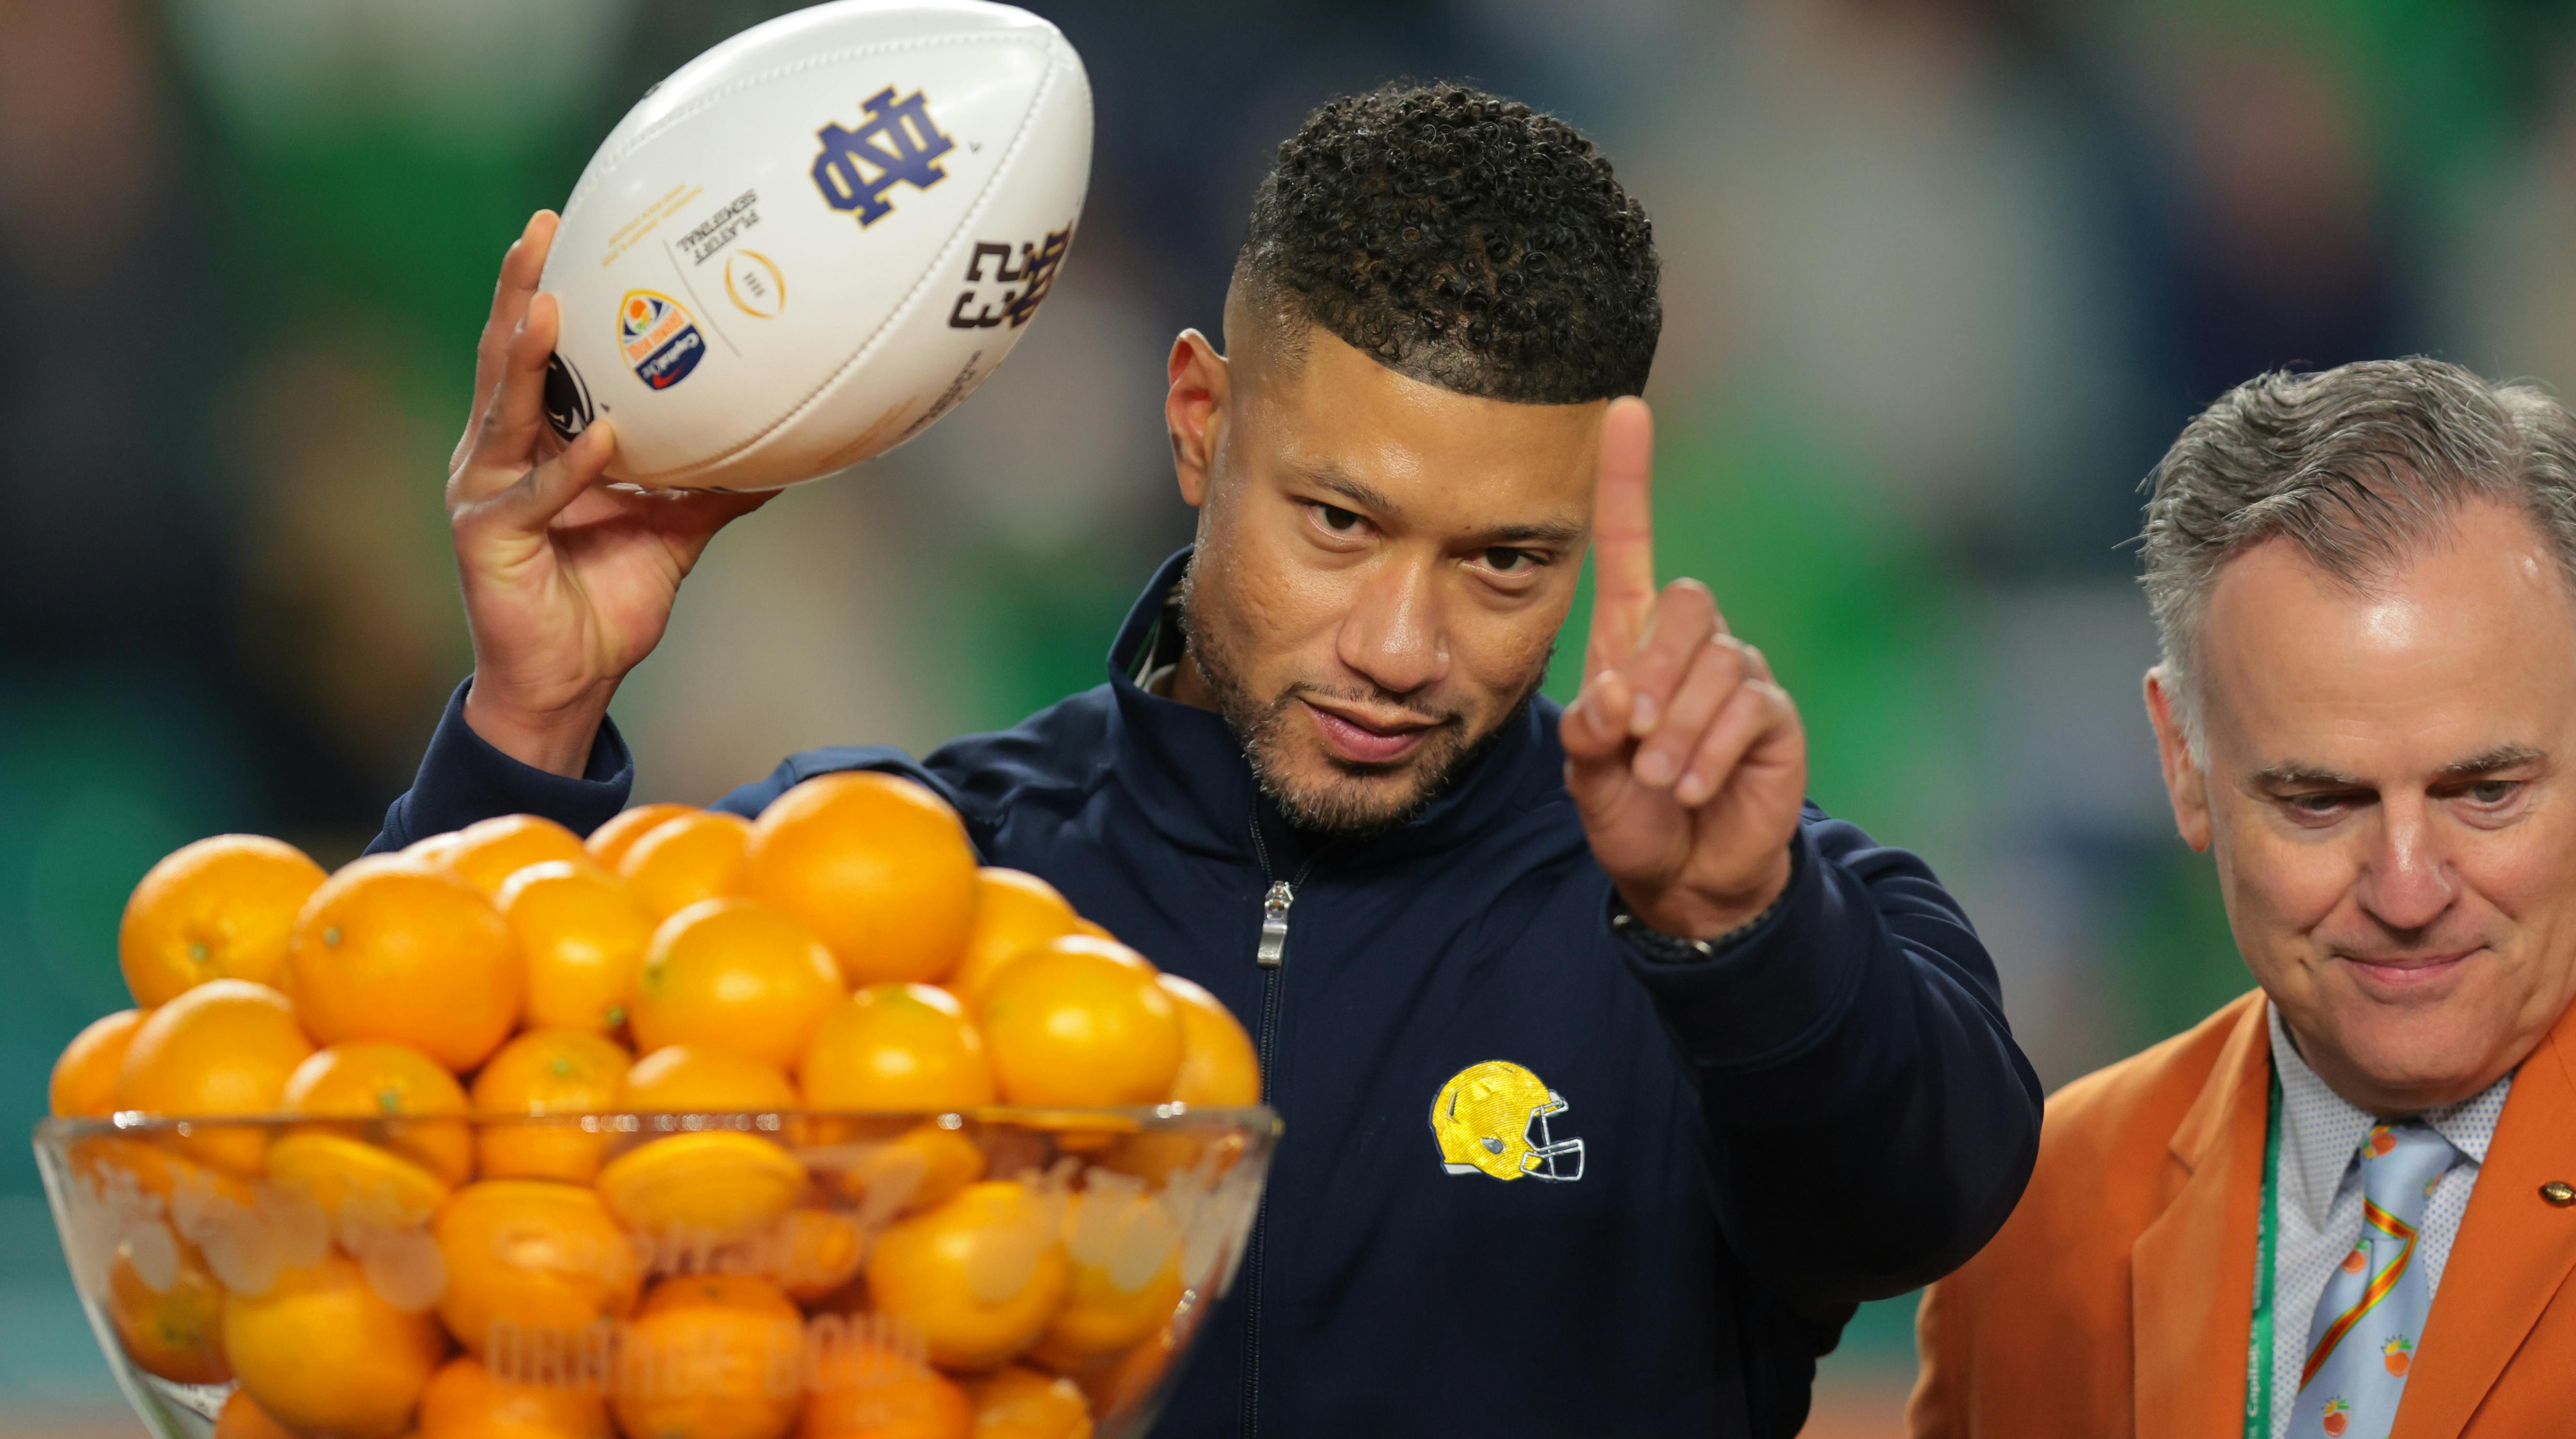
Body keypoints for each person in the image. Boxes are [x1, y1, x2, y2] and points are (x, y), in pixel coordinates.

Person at [379, 83, 2042, 1438]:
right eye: (1338, 522)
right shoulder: (884, 875)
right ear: (1197, 422)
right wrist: (529, 724)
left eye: (1503, 564)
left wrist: (1737, 937)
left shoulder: (1743, 922)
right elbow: (408, 1238)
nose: (1401, 644)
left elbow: (1922, 1199)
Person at [1909, 358, 2576, 1439]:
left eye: (2485, 792)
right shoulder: (2037, 1222)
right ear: (2182, 761)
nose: (2407, 890)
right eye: (2320, 802)